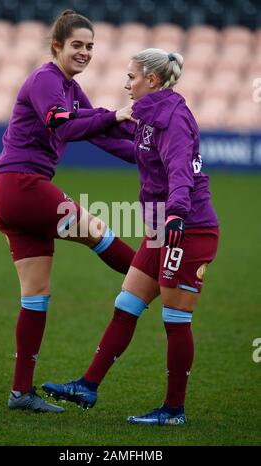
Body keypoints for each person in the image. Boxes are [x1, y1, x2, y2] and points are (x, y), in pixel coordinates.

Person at [42, 48, 220, 425]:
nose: (126, 83)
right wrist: (74, 120)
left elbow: (180, 175)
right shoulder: (146, 117)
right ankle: (87, 385)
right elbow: (115, 134)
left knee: (176, 319)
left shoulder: (173, 120)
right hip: (162, 228)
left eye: (131, 77)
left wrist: (174, 217)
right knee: (126, 303)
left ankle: (173, 411)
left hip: (187, 229)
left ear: (151, 80)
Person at [0, 10, 137, 413]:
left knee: (36, 295)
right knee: (96, 230)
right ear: (56, 46)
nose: (85, 52)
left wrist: (148, 155)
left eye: (90, 46)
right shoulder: (45, 80)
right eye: (77, 45)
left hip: (11, 194)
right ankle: (152, 276)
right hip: (24, 186)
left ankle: (21, 393)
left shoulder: (69, 88)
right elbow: (64, 125)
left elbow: (101, 131)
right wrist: (113, 116)